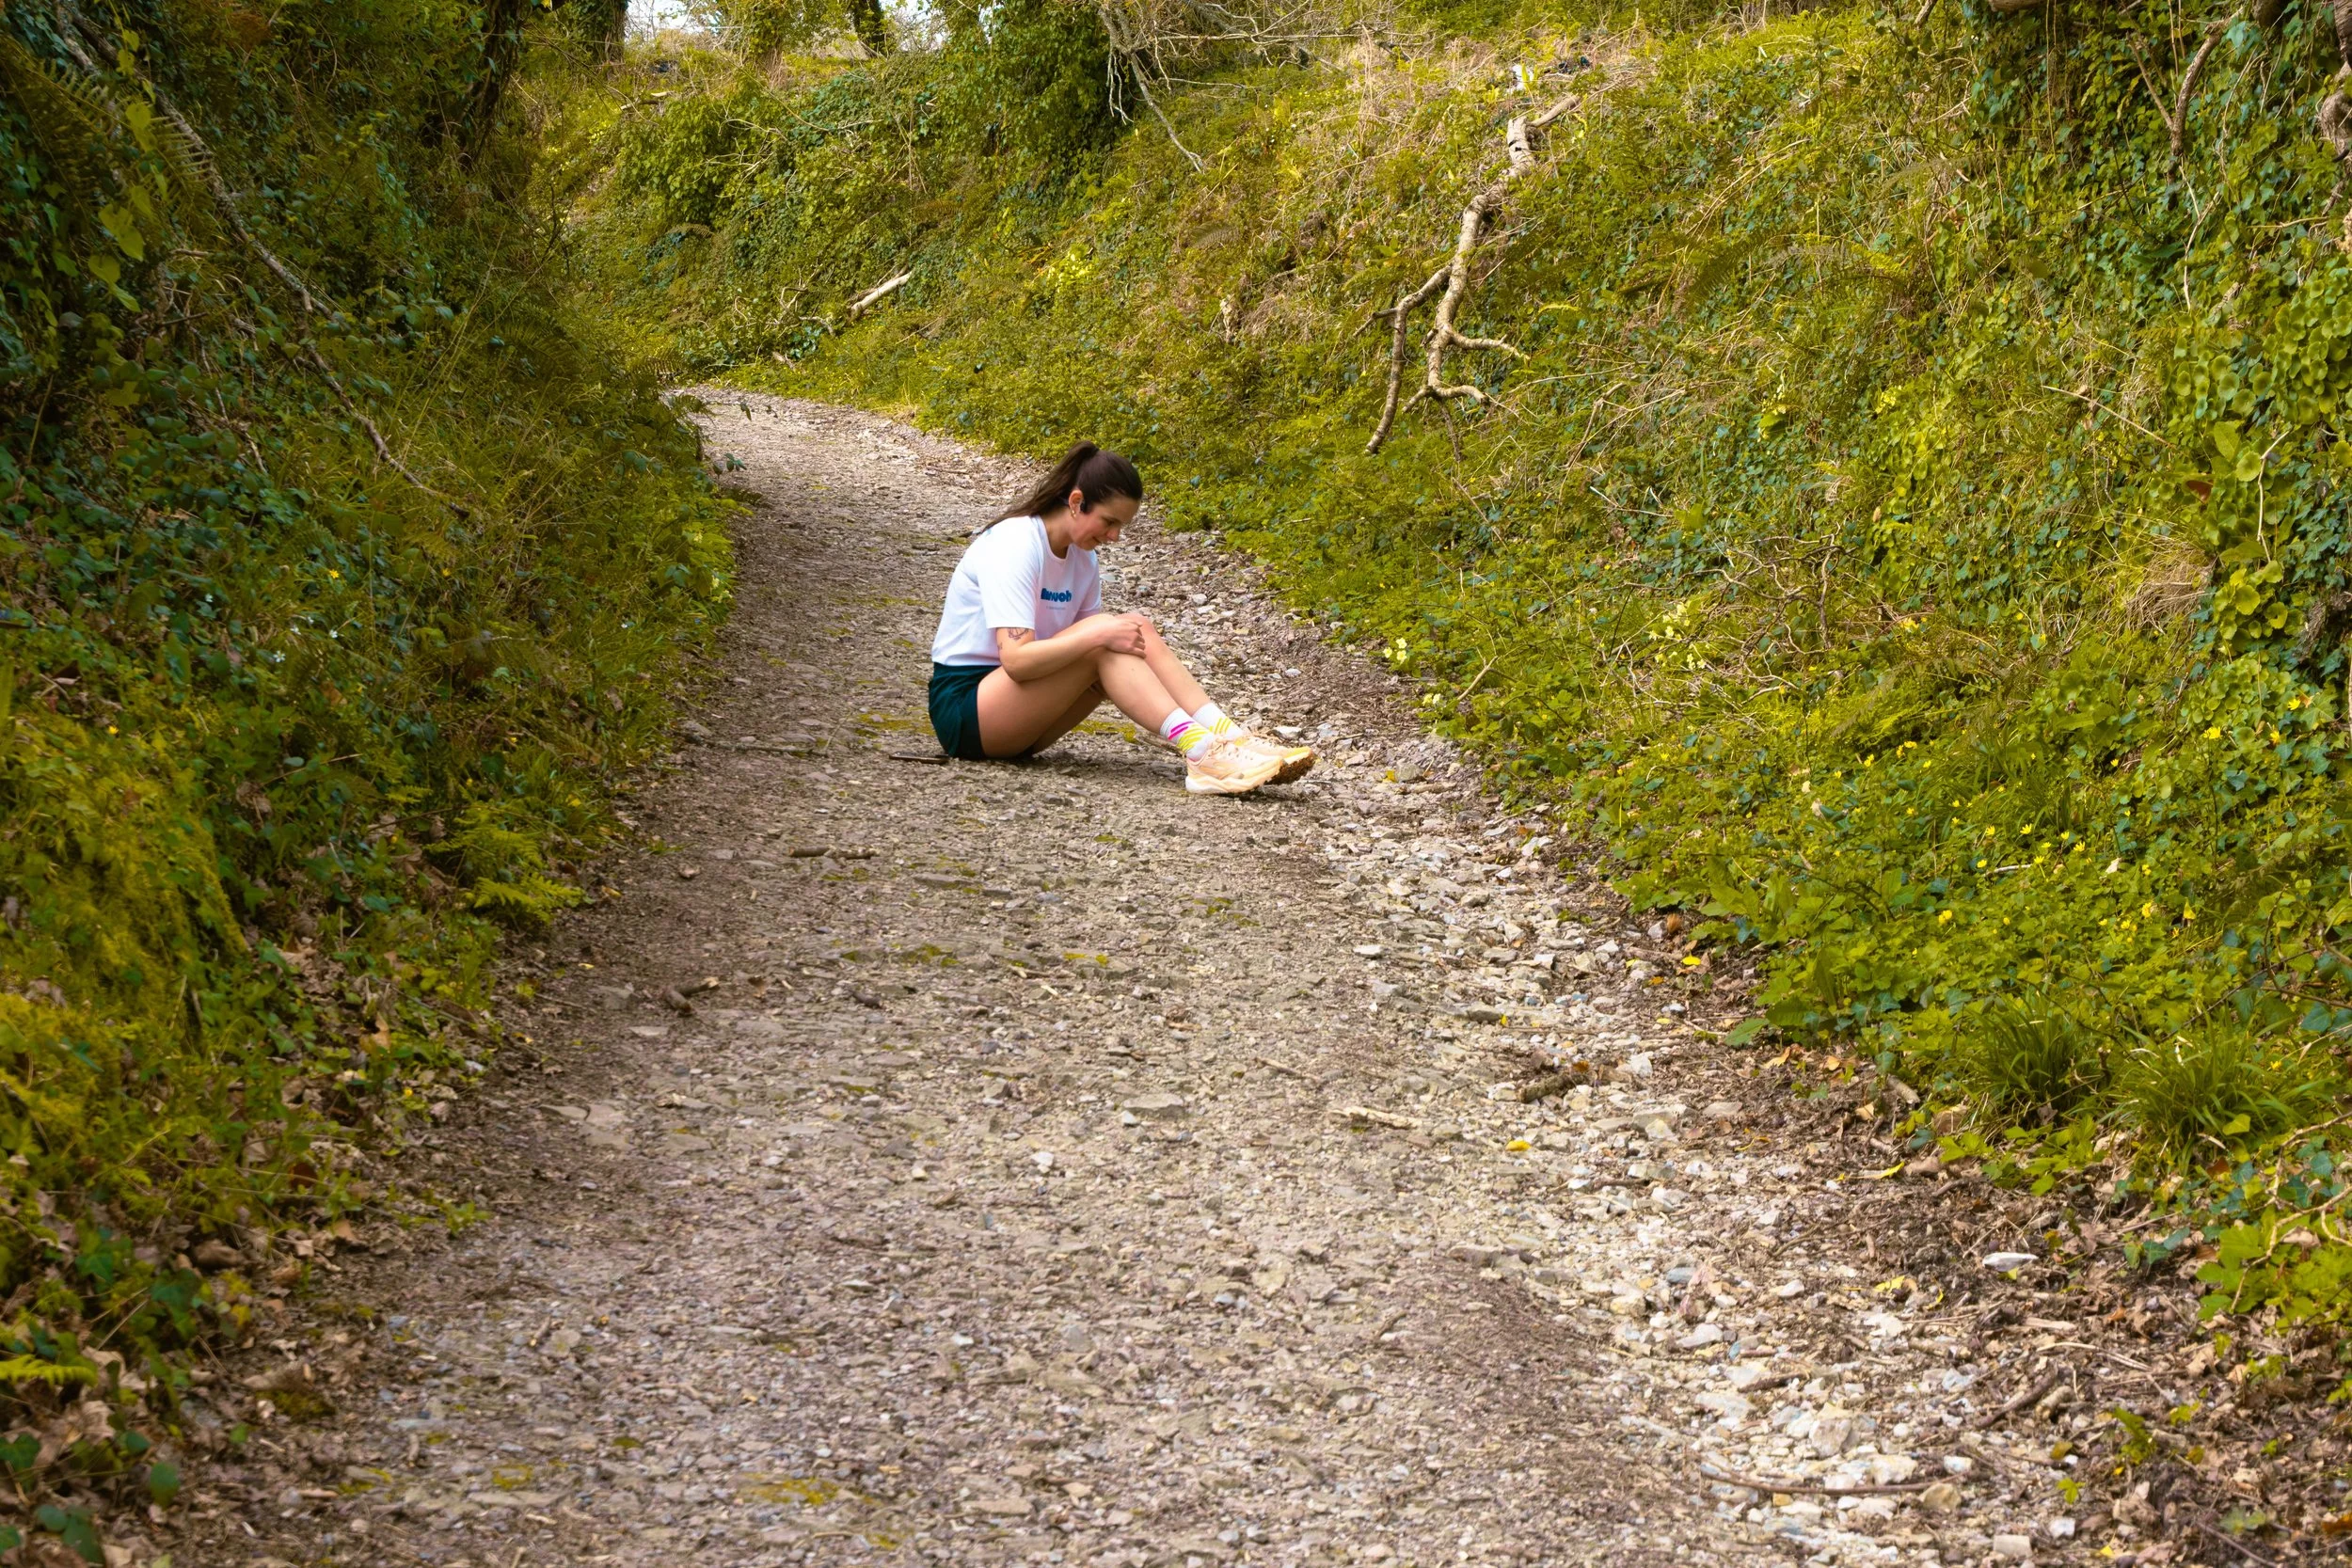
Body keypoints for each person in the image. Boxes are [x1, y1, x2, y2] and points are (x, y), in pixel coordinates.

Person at [926, 441, 1317, 794]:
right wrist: (1099, 638)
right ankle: (1201, 751)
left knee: (1133, 627)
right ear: (1077, 502)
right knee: (1104, 638)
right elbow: (1016, 661)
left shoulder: (1083, 559)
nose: (1114, 537)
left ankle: (1228, 738)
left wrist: (1105, 637)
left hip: (1024, 719)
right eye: (1109, 522)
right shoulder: (1016, 544)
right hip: (967, 713)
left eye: (1120, 527)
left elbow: (1098, 654)